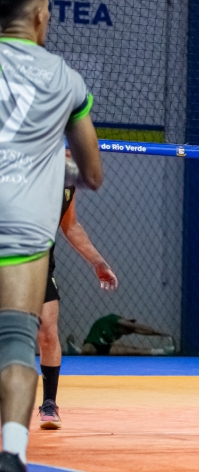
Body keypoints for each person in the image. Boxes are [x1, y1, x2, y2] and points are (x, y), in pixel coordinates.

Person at [0, 0, 103, 472]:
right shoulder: (65, 78)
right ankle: (13, 452)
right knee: (18, 340)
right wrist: (49, 166)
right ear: (41, 16)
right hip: (20, 227)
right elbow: (92, 174)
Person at [36, 175, 117, 430]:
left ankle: (49, 404)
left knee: (48, 332)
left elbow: (70, 225)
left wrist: (97, 261)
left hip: (39, 265)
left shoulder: (68, 184)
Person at [75, 315, 171, 356]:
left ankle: (159, 351)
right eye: (128, 328)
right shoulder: (114, 320)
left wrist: (159, 335)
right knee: (87, 349)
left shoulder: (121, 332)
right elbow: (138, 327)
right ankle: (78, 350)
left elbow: (139, 331)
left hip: (104, 348)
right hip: (93, 344)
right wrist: (159, 333)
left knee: (132, 350)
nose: (129, 332)